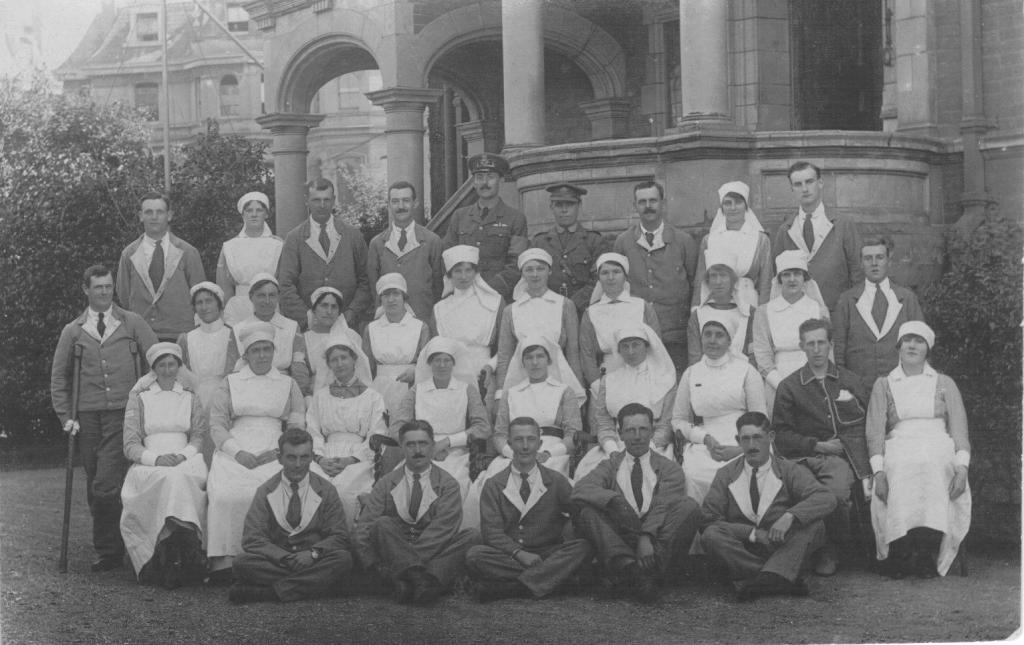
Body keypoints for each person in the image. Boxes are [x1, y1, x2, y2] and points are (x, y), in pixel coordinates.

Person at [51, 264, 158, 571]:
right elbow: (60, 379)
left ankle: (111, 551)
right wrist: (64, 417)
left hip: (122, 413)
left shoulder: (131, 322)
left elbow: (158, 359)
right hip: (86, 416)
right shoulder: (73, 331)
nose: (104, 292)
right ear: (86, 290)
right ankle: (113, 545)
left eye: (108, 286)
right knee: (96, 480)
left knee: (105, 483)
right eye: (98, 287)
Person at [866, 321, 970, 578]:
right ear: (899, 347)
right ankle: (903, 550)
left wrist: (962, 468)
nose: (912, 345)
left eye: (919, 341)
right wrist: (878, 472)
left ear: (927, 349)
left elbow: (959, 429)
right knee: (900, 467)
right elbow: (875, 430)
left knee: (933, 465)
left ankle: (925, 551)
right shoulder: (884, 384)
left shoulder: (944, 382)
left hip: (938, 441)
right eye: (907, 340)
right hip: (899, 441)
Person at [572, 403, 701, 603]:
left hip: (656, 540)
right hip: (622, 538)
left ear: (652, 432)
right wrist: (614, 500)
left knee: (688, 506)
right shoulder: (610, 465)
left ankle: (632, 576)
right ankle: (635, 572)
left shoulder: (669, 468)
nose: (637, 436)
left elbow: (663, 505)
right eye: (630, 430)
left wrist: (646, 536)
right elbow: (580, 489)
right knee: (587, 512)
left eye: (643, 429)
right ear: (620, 434)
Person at [700, 412, 837, 600]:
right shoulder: (726, 474)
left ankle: (758, 581)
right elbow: (709, 520)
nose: (751, 445)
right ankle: (777, 577)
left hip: (781, 545)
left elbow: (826, 497)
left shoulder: (788, 469)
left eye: (757, 437)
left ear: (771, 437)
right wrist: (752, 534)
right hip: (745, 550)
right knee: (711, 535)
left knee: (815, 524)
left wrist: (790, 516)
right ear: (737, 440)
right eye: (745, 439)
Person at [771, 318, 870, 577]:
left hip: (840, 458)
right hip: (801, 458)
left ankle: (832, 549)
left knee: (837, 491)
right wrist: (817, 445)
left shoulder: (850, 381)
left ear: (831, 345)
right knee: (805, 492)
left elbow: (865, 423)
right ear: (802, 347)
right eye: (810, 344)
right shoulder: (789, 386)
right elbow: (781, 435)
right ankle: (805, 549)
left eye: (821, 343)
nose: (816, 349)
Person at [206, 322, 306, 570]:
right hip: (236, 447)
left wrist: (280, 452)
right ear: (246, 354)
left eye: (266, 349)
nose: (262, 355)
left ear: (274, 352)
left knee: (278, 493)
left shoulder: (288, 384)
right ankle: (226, 560)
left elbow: (296, 424)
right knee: (227, 494)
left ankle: (273, 557)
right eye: (255, 350)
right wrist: (238, 453)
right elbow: (217, 425)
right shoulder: (230, 382)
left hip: (275, 449)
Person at [465, 417, 592, 601]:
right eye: (518, 439)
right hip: (511, 555)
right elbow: (491, 532)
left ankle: (514, 588)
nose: (525, 446)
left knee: (583, 547)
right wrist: (519, 553)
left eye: (531, 439)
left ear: (539, 443)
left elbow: (577, 511)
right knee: (475, 556)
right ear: (509, 444)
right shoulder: (494, 484)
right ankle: (557, 580)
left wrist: (568, 530)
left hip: (548, 553)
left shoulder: (556, 480)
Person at [355, 420, 479, 605]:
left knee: (472, 536)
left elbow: (444, 529)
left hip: (431, 550)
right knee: (382, 524)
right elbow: (365, 526)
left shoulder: (448, 484)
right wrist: (373, 564)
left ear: (432, 447)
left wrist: (407, 559)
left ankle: (408, 578)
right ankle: (428, 581)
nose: (417, 450)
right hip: (395, 547)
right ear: (402, 449)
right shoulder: (386, 483)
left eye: (423, 443)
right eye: (410, 444)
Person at [229, 429, 354, 603]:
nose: (298, 464)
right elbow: (252, 538)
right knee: (241, 563)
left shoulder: (326, 490)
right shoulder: (265, 490)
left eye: (304, 457)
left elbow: (339, 535)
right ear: (280, 458)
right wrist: (285, 558)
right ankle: (317, 585)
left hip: (313, 559)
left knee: (343, 559)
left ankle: (269, 593)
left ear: (312, 457)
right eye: (291, 457)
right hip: (280, 561)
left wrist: (313, 554)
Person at [120, 343, 207, 587]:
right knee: (169, 479)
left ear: (179, 367)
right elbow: (130, 444)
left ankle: (182, 554)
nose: (167, 370)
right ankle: (167, 556)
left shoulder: (189, 397)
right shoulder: (140, 398)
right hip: (149, 461)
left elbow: (199, 436)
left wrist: (182, 455)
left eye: (172, 364)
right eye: (162, 365)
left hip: (185, 459)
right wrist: (156, 459)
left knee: (180, 478)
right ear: (154, 369)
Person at [673, 317, 767, 503]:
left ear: (729, 340)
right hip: (705, 443)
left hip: (743, 441)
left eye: (719, 335)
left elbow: (761, 420)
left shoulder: (746, 371)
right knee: (692, 474)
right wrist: (704, 439)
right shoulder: (691, 373)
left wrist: (741, 449)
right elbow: (678, 420)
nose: (712, 340)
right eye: (707, 334)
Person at [613, 180, 699, 372]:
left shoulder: (683, 241)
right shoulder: (623, 242)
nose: (648, 206)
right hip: (637, 335)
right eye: (642, 202)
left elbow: (695, 284)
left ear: (663, 203)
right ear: (634, 206)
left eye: (653, 200)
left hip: (675, 335)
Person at [390, 337, 491, 500]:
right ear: (429, 364)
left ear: (454, 363)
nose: (442, 365)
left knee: (454, 483)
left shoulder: (467, 390)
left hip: (457, 454)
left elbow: (483, 427)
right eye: (437, 360)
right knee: (404, 486)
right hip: (420, 451)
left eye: (447, 360)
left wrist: (446, 442)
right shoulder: (417, 391)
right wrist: (424, 447)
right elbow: (396, 427)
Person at [575, 325, 677, 481]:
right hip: (616, 444)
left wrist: (647, 449)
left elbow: (666, 423)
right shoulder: (609, 380)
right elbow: (603, 422)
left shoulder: (665, 379)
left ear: (647, 346)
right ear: (619, 350)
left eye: (636, 345)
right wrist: (612, 450)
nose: (630, 351)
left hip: (654, 445)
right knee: (589, 476)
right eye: (625, 346)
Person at [307, 333, 387, 530]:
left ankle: (349, 542)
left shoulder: (373, 397)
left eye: (344, 357)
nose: (339, 363)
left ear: (354, 360)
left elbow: (377, 434)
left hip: (359, 457)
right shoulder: (321, 396)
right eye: (334, 359)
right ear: (329, 364)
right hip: (324, 454)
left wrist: (351, 460)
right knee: (312, 489)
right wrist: (320, 459)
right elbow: (312, 431)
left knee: (344, 492)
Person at [833, 235, 925, 393]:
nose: (874, 263)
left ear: (889, 261)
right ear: (861, 263)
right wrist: (847, 385)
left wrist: (916, 383)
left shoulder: (907, 298)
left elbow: (922, 345)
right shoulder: (847, 300)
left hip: (901, 386)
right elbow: (838, 351)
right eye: (868, 258)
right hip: (859, 390)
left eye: (880, 257)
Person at [276, 178, 371, 328]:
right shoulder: (294, 238)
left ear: (334, 200)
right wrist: (307, 317)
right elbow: (285, 284)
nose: (321, 205)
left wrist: (350, 314)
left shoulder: (353, 236)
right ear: (307, 200)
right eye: (316, 200)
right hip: (308, 327)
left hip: (347, 325)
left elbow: (366, 280)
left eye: (326, 200)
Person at [494, 248, 584, 402]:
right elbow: (504, 355)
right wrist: (500, 393)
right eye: (529, 270)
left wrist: (578, 388)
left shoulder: (565, 305)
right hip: (521, 380)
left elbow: (573, 352)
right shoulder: (511, 310)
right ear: (522, 274)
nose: (535, 274)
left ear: (549, 271)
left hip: (559, 378)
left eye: (540, 269)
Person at [771, 161, 862, 311]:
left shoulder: (842, 224)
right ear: (792, 189)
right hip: (798, 314)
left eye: (809, 182)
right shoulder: (785, 230)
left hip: (837, 310)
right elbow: (777, 275)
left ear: (820, 183)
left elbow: (857, 270)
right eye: (798, 184)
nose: (805, 189)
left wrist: (853, 307)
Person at [488, 337, 583, 479]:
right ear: (522, 362)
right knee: (496, 475)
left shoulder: (564, 391)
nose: (535, 362)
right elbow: (499, 435)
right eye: (529, 357)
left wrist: (548, 454)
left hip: (552, 453)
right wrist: (512, 453)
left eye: (540, 356)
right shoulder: (511, 393)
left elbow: (573, 434)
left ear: (549, 360)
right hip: (515, 453)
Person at [116, 192, 206, 341]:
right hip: (142, 334)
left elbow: (200, 294)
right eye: (148, 212)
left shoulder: (188, 252)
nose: (154, 217)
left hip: (181, 334)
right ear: (140, 216)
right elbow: (124, 295)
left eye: (160, 212)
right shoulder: (129, 254)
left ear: (169, 215)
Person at [751, 250, 830, 413]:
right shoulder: (764, 312)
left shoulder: (818, 310)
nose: (792, 279)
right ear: (780, 279)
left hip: (815, 381)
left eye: (797, 274)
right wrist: (784, 387)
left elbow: (828, 352)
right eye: (786, 275)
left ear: (804, 278)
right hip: (778, 383)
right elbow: (763, 356)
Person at [441, 153, 528, 301]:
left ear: (501, 180)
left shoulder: (515, 218)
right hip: (463, 296)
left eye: (491, 177)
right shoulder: (459, 216)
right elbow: (447, 257)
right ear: (474, 182)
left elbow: (516, 264)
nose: (484, 183)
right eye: (479, 177)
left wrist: (486, 290)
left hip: (498, 297)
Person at [366, 181, 445, 323]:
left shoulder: (432, 241)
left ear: (415, 203)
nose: (401, 206)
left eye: (406, 201)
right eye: (395, 201)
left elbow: (438, 287)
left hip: (423, 320)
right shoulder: (377, 244)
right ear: (389, 205)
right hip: (389, 321)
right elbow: (374, 288)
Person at [578, 252, 661, 387]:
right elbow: (587, 353)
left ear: (625, 276)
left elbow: (656, 346)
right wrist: (596, 384)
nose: (610, 277)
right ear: (598, 278)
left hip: (643, 374)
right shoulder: (591, 312)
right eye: (605, 273)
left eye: (616, 272)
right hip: (607, 376)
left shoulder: (642, 306)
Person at [690, 180, 772, 313]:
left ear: (746, 206)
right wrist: (696, 309)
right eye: (728, 203)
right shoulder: (709, 239)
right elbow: (700, 279)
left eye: (738, 202)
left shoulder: (760, 239)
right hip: (717, 304)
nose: (733, 208)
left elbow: (765, 282)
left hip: (749, 303)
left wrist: (763, 313)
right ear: (721, 208)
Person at [528, 182, 609, 315]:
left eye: (570, 205)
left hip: (584, 312)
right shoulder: (539, 242)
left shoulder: (594, 241)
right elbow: (530, 277)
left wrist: (573, 304)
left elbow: (599, 279)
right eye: (559, 205)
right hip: (547, 311)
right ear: (551, 207)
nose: (564, 210)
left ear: (579, 206)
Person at [432, 245, 505, 392]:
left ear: (476, 273)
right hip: (451, 375)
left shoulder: (494, 302)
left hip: (485, 374)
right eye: (458, 271)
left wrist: (491, 366)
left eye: (468, 270)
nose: (463, 276)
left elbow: (505, 345)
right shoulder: (440, 308)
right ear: (449, 275)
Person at [363, 273, 431, 420]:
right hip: (380, 389)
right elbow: (366, 367)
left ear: (404, 297)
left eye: (396, 294)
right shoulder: (371, 328)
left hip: (411, 387)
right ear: (380, 299)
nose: (391, 299)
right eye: (386, 295)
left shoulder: (420, 327)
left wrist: (416, 371)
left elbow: (426, 362)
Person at [233, 273, 312, 398]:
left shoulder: (291, 327)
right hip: (248, 391)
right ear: (251, 297)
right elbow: (235, 372)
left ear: (278, 297)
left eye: (272, 295)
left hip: (284, 389)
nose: (267, 301)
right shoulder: (238, 329)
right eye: (261, 295)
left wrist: (296, 396)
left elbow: (299, 367)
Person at [217, 191, 285, 327]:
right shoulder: (230, 246)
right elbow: (224, 286)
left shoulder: (278, 245)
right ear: (243, 214)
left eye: (259, 210)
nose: (254, 214)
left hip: (269, 306)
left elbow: (284, 282)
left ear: (266, 214)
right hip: (238, 308)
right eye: (249, 210)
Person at [175, 282, 239, 413]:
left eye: (209, 301)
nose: (204, 307)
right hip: (194, 399)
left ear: (219, 303)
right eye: (199, 302)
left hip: (225, 397)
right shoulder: (187, 338)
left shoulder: (232, 335)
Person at [686, 248, 756, 367]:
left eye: (723, 275)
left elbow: (754, 356)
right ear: (707, 281)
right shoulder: (698, 315)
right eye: (713, 276)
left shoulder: (749, 313)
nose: (718, 282)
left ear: (733, 280)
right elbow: (695, 358)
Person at [302, 286, 361, 394]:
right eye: (324, 306)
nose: (329, 311)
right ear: (314, 309)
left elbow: (360, 373)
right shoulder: (305, 339)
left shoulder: (351, 337)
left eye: (334, 307)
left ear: (339, 312)